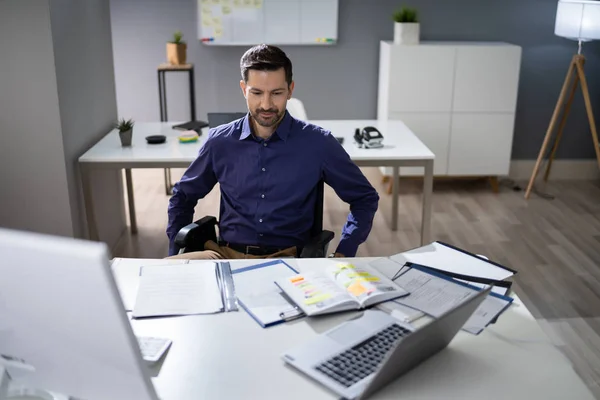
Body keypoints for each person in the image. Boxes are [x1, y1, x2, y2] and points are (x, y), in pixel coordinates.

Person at [166, 44, 379, 259]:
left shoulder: (318, 143)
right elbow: (183, 196)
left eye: (276, 93)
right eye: (256, 93)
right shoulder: (220, 141)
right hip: (227, 256)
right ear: (243, 89)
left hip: (290, 260)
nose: (266, 105)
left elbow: (364, 197)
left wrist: (345, 250)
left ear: (290, 90)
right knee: (166, 278)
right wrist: (177, 252)